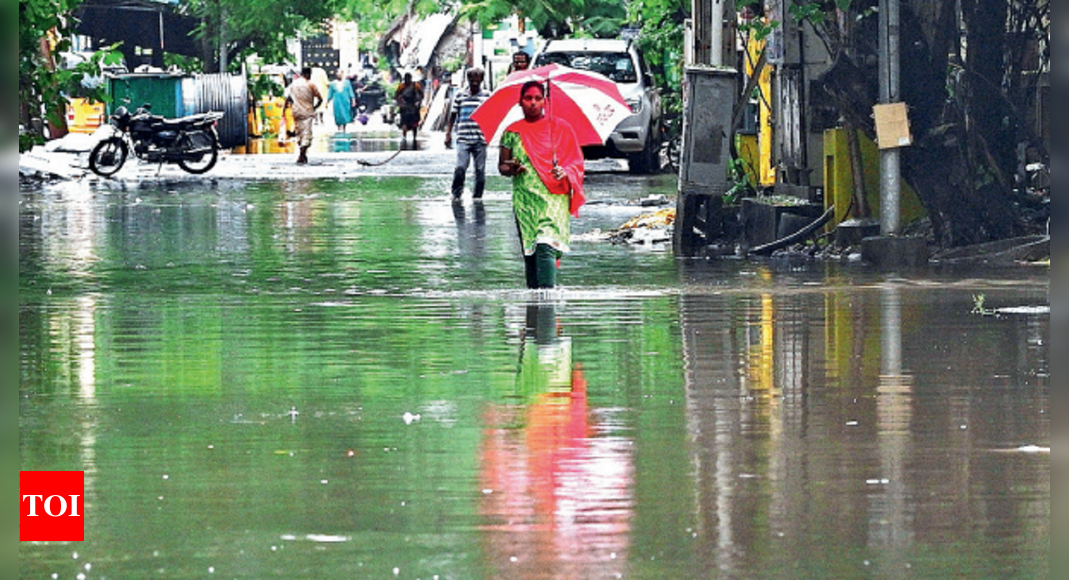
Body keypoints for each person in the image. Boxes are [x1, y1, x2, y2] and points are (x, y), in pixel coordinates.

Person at [498, 81, 585, 289]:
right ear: (520, 102)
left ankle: (547, 301)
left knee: (545, 244)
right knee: (530, 252)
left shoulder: (561, 128)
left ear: (545, 101)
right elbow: (502, 166)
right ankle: (534, 309)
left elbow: (576, 162)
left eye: (538, 98)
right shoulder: (512, 132)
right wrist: (512, 167)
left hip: (553, 197)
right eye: (528, 98)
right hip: (525, 200)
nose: (533, 103)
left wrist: (564, 171)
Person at [445, 67, 490, 201]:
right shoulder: (460, 95)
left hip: (480, 138)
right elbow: (452, 116)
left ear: (481, 80)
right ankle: (456, 194)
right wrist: (448, 133)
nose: (474, 83)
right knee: (460, 167)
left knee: (480, 170)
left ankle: (478, 196)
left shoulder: (486, 96)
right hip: (463, 138)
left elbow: (492, 116)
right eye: (472, 80)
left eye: (477, 80)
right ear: (468, 80)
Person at [283, 67, 323, 164]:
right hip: (307, 112)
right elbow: (320, 99)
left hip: (296, 111)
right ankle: (302, 154)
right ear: (309, 74)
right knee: (306, 133)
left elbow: (288, 98)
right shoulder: (311, 85)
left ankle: (302, 153)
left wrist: (283, 111)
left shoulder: (293, 85)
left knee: (299, 132)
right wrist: (314, 107)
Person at [394, 72, 424, 146]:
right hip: (404, 107)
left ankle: (414, 137)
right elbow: (396, 96)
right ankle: (404, 137)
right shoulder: (401, 86)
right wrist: (401, 103)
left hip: (413, 106)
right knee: (404, 122)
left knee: (414, 123)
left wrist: (418, 103)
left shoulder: (415, 85)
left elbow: (421, 95)